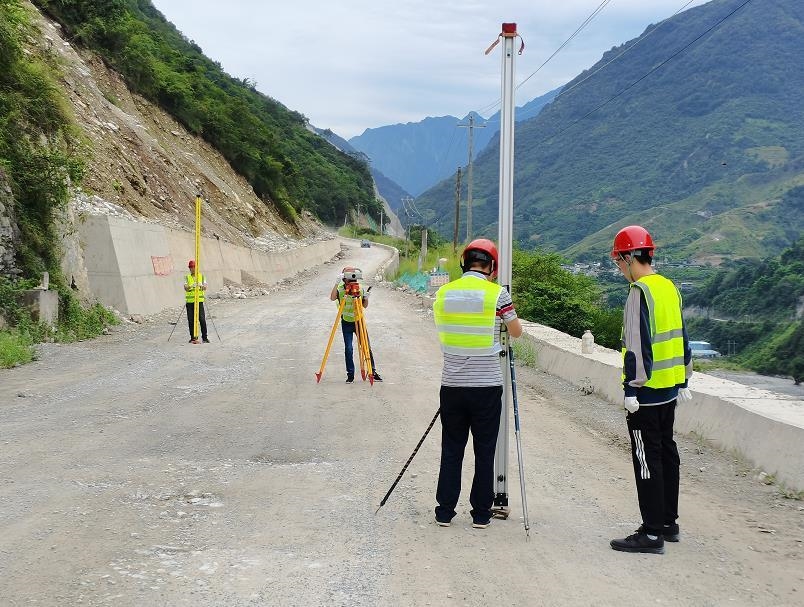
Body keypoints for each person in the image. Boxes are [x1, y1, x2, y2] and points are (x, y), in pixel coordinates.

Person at [608, 225, 693, 555]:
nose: (619, 269)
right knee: (667, 452)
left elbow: (635, 346)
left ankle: (651, 532)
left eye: (619, 262)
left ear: (630, 257)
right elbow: (683, 337)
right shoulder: (669, 287)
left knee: (647, 458)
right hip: (670, 389)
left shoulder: (639, 293)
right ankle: (669, 523)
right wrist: (684, 379)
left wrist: (631, 388)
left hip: (645, 394)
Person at [432, 239, 522, 529]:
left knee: (451, 449)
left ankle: (444, 512)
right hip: (486, 387)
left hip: (452, 385)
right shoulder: (498, 296)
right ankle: (481, 514)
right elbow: (516, 332)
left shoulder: (443, 293)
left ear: (464, 262)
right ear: (492, 267)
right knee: (484, 450)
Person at [329, 267, 382, 383]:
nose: (352, 279)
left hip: (359, 321)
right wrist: (336, 283)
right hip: (346, 322)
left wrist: (366, 298)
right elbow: (332, 298)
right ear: (344, 278)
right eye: (349, 276)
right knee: (348, 349)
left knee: (366, 347)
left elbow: (364, 305)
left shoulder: (360, 289)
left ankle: (372, 372)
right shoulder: (341, 290)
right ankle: (350, 375)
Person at [184, 259, 209, 344]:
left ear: (196, 267)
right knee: (191, 320)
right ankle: (193, 338)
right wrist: (191, 286)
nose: (191, 268)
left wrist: (201, 285)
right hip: (190, 302)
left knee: (202, 319)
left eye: (193, 267)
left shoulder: (201, 277)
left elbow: (205, 287)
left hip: (199, 301)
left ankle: (205, 338)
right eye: (190, 267)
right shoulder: (187, 277)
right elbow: (186, 287)